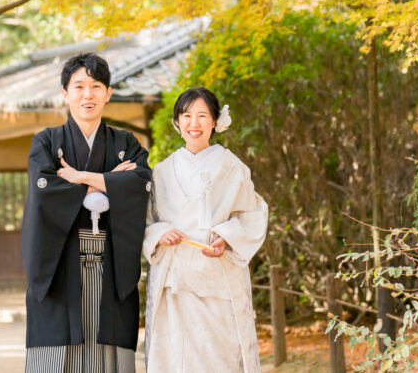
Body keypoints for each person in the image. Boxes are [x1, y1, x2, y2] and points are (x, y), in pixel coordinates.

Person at [21, 52, 152, 372]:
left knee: (107, 353)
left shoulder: (126, 142)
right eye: (78, 86)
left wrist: (79, 178)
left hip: (111, 262)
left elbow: (139, 183)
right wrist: (109, 183)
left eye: (96, 86)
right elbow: (44, 191)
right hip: (60, 263)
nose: (87, 94)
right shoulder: (47, 142)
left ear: (108, 93)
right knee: (57, 353)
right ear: (65, 94)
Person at [143, 87, 268, 372]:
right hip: (176, 282)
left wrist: (227, 235)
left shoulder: (232, 167)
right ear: (177, 122)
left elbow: (253, 214)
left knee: (220, 357)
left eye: (202, 116)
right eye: (186, 116)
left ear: (215, 121)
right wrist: (160, 232)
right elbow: (146, 222)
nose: (194, 123)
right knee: (177, 359)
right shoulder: (161, 171)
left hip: (218, 279)